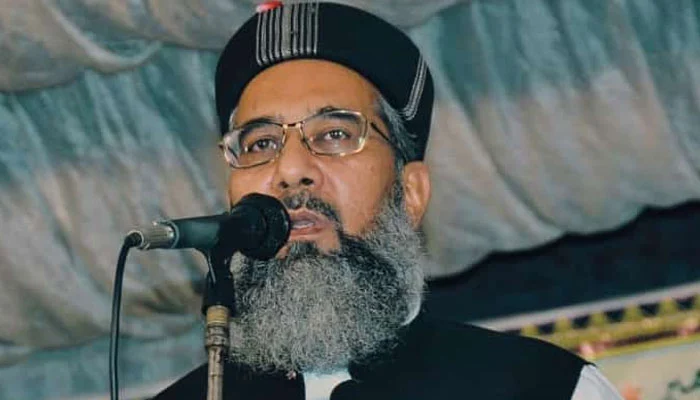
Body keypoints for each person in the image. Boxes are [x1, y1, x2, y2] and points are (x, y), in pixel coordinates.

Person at [155, 2, 623, 399]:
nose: (291, 169)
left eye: (334, 134)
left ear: (411, 193)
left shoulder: (547, 388)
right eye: (260, 144)